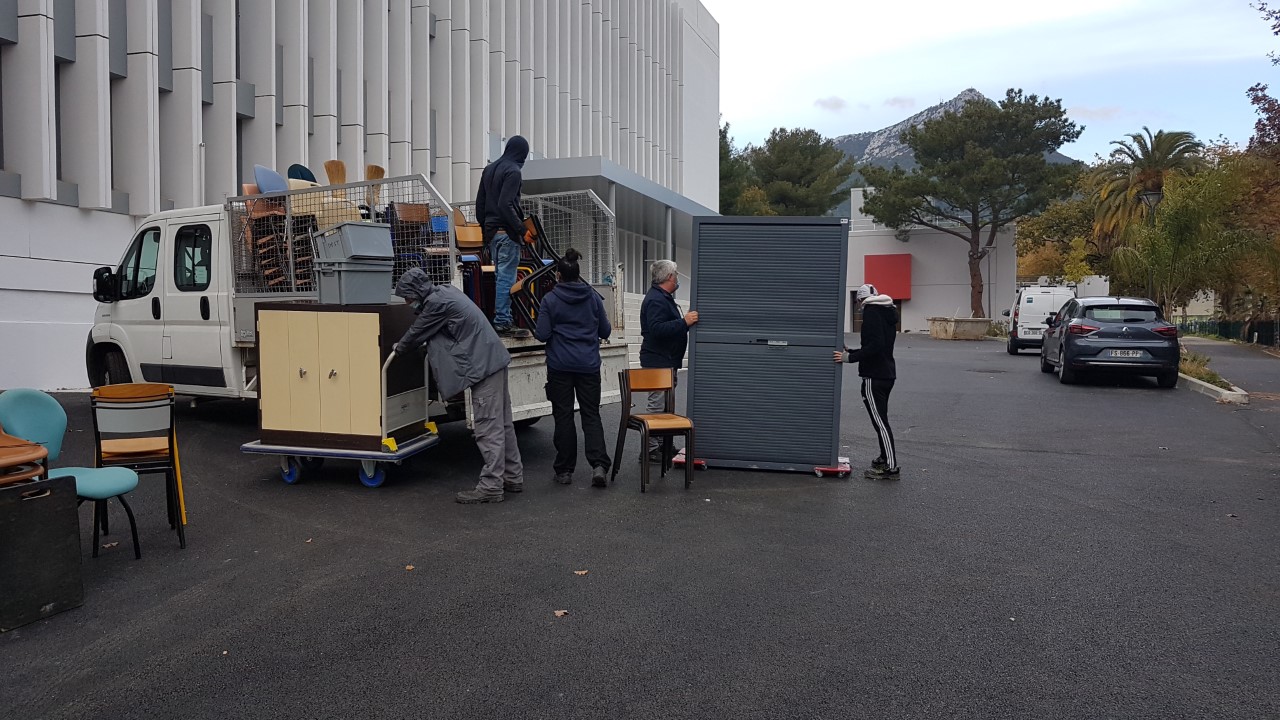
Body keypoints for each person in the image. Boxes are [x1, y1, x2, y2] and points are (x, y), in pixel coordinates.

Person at [394, 268, 523, 503]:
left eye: (408, 298)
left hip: (483, 367)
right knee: (502, 424)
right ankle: (512, 476)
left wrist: (397, 349)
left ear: (416, 292)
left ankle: (492, 486)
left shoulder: (436, 304)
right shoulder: (446, 292)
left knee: (487, 428)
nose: (407, 303)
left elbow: (416, 333)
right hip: (493, 360)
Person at [533, 249, 612, 487]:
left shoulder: (550, 300)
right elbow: (606, 331)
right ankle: (598, 465)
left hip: (560, 366)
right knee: (591, 414)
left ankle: (565, 470)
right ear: (579, 274)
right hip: (588, 365)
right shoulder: (593, 298)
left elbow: (542, 334)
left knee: (564, 416)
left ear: (558, 275)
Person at [833, 283, 899, 480]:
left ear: (861, 300)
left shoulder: (871, 312)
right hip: (887, 374)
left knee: (880, 422)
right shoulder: (887, 312)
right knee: (882, 420)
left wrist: (849, 358)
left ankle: (891, 467)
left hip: (874, 376)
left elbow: (875, 346)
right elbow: (878, 345)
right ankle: (884, 457)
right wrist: (852, 352)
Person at [475, 135, 533, 339]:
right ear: (522, 154)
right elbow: (506, 204)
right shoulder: (513, 171)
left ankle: (500, 319)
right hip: (507, 233)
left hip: (491, 233)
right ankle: (502, 322)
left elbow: (480, 205)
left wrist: (485, 230)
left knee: (500, 276)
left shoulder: (489, 169)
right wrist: (521, 229)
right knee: (506, 278)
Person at [639, 259, 698, 462]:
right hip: (658, 361)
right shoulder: (656, 300)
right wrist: (684, 323)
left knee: (666, 404)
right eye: (677, 274)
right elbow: (656, 330)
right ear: (669, 277)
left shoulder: (662, 297)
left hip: (665, 360)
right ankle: (650, 448)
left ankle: (663, 444)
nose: (678, 278)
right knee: (657, 405)